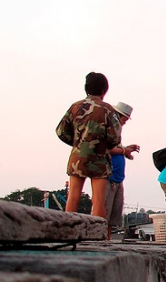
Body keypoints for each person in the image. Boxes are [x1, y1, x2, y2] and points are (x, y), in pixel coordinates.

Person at [56, 72, 121, 217]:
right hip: (99, 159)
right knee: (98, 201)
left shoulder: (75, 107)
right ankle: (97, 236)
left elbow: (61, 131)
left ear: (86, 88)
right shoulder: (107, 109)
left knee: (73, 196)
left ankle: (68, 232)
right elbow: (114, 138)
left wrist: (77, 143)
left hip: (78, 158)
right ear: (104, 90)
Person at [104, 102, 140, 240]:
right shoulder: (109, 128)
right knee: (104, 212)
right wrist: (124, 150)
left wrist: (125, 150)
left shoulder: (117, 130)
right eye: (125, 119)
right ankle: (100, 239)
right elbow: (107, 149)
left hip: (118, 178)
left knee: (114, 213)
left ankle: (107, 239)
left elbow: (115, 148)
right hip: (109, 177)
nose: (125, 122)